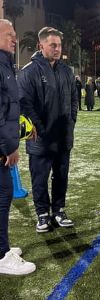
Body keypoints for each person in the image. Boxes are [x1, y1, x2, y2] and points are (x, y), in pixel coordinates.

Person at [18, 27, 78, 233]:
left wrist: (71, 122)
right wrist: (42, 132)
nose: (57, 49)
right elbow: (26, 106)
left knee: (61, 177)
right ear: (40, 45)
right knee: (39, 179)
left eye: (59, 45)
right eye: (53, 45)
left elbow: (73, 100)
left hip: (63, 137)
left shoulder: (66, 71)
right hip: (40, 139)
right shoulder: (28, 72)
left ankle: (59, 211)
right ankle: (43, 214)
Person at [0, 19, 36, 274]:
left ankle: (2, 247)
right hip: (1, 148)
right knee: (3, 197)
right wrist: (8, 147)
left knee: (4, 196)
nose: (15, 39)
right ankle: (1, 255)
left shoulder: (5, 65)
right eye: (9, 34)